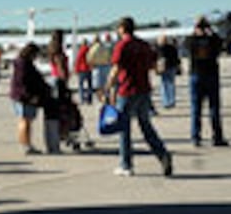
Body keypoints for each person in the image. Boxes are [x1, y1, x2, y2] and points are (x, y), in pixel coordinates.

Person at [105, 17, 173, 177]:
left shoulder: (122, 45)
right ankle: (162, 154)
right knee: (146, 126)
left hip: (127, 90)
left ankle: (126, 164)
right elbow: (154, 65)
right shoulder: (143, 45)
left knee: (124, 129)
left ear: (122, 28)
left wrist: (107, 87)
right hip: (143, 90)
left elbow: (116, 68)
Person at [186, 17, 228, 146]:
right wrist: (211, 31)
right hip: (211, 75)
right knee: (214, 108)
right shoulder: (212, 40)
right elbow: (221, 43)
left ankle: (195, 137)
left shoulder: (191, 40)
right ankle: (217, 137)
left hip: (196, 75)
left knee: (195, 108)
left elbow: (186, 44)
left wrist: (195, 32)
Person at [8, 42, 48, 156]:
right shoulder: (24, 64)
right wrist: (30, 97)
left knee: (24, 120)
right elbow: (22, 82)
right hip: (24, 97)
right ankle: (26, 144)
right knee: (26, 121)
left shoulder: (21, 62)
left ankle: (25, 143)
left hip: (19, 95)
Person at [155, 36, 180, 110]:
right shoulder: (172, 48)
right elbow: (176, 58)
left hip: (164, 68)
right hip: (171, 67)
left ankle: (166, 101)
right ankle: (171, 101)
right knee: (171, 84)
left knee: (164, 84)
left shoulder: (159, 49)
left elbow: (157, 58)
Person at [74, 38, 94, 104]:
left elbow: (78, 60)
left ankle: (82, 99)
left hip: (82, 70)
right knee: (90, 85)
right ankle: (89, 99)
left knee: (81, 85)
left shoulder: (81, 50)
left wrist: (76, 70)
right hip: (89, 69)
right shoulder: (90, 50)